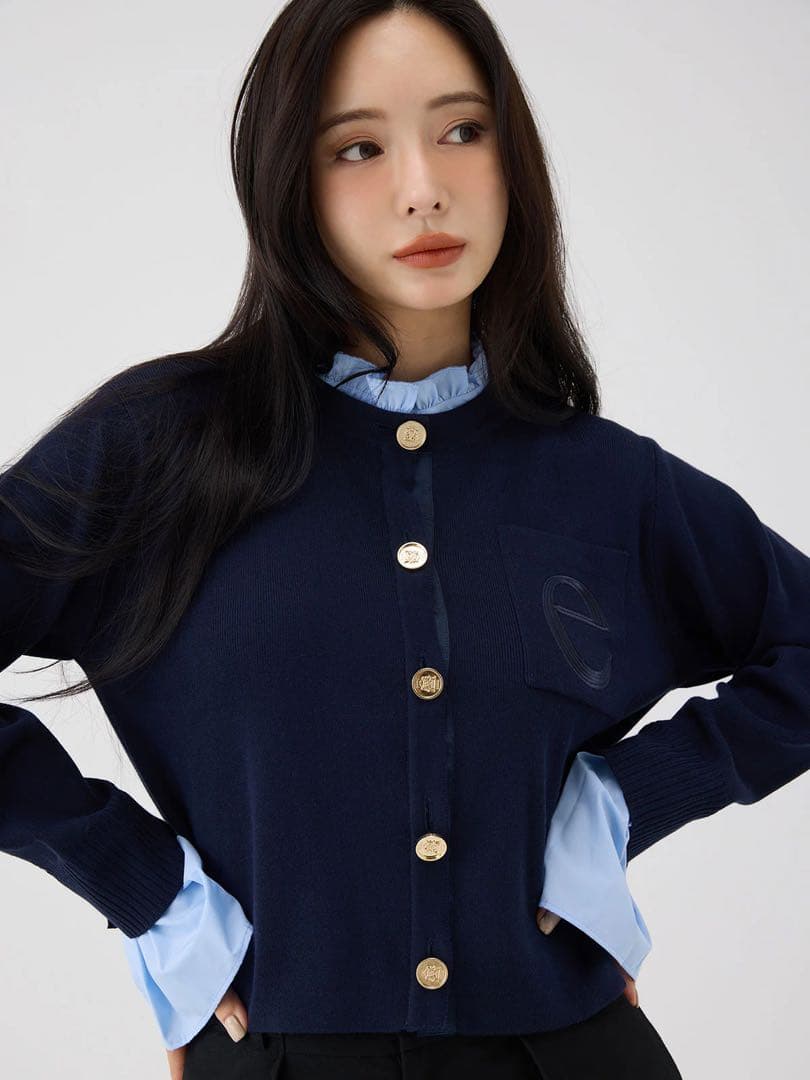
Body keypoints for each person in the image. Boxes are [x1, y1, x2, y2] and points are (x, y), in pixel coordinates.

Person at [3, 2, 808, 1078]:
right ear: (287, 179)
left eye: (463, 130)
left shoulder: (606, 483)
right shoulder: (161, 447)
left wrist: (619, 805)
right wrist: (146, 888)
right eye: (359, 147)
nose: (424, 187)